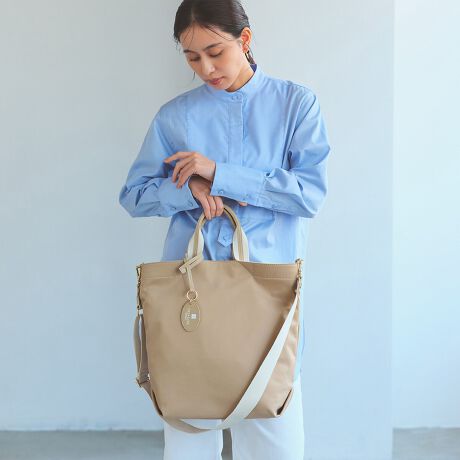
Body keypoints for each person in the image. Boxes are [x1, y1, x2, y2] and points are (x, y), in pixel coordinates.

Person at [119, 1, 331, 458]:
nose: (206, 68)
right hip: (190, 298)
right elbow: (134, 195)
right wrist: (188, 188)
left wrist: (220, 174)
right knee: (189, 443)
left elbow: (308, 194)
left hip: (268, 300)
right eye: (192, 57)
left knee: (275, 441)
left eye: (215, 52)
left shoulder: (296, 105)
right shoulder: (174, 117)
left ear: (245, 40)